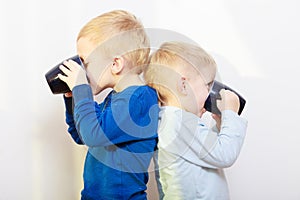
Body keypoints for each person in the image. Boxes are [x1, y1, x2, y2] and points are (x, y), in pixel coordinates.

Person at [58, 10, 159, 199]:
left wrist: (82, 90)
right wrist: (73, 97)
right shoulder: (115, 99)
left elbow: (93, 135)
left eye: (85, 63)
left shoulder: (139, 99)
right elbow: (82, 134)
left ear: (115, 64)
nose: (82, 70)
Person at [144, 41, 248, 199]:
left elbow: (206, 152)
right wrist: (231, 113)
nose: (210, 93)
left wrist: (219, 126)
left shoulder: (172, 121)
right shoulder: (179, 122)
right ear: (184, 86)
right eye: (207, 86)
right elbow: (224, 154)